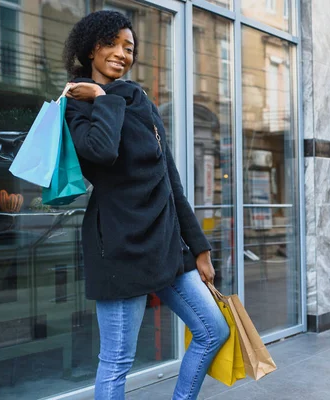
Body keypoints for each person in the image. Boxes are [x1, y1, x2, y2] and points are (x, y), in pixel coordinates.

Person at [62, 10, 229, 400]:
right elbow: (100, 153)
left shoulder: (139, 100)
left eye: (129, 47)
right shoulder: (76, 104)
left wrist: (199, 247)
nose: (122, 53)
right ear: (91, 49)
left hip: (167, 243)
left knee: (212, 330)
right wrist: (103, 98)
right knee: (118, 359)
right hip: (120, 247)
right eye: (112, 44)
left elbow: (169, 178)